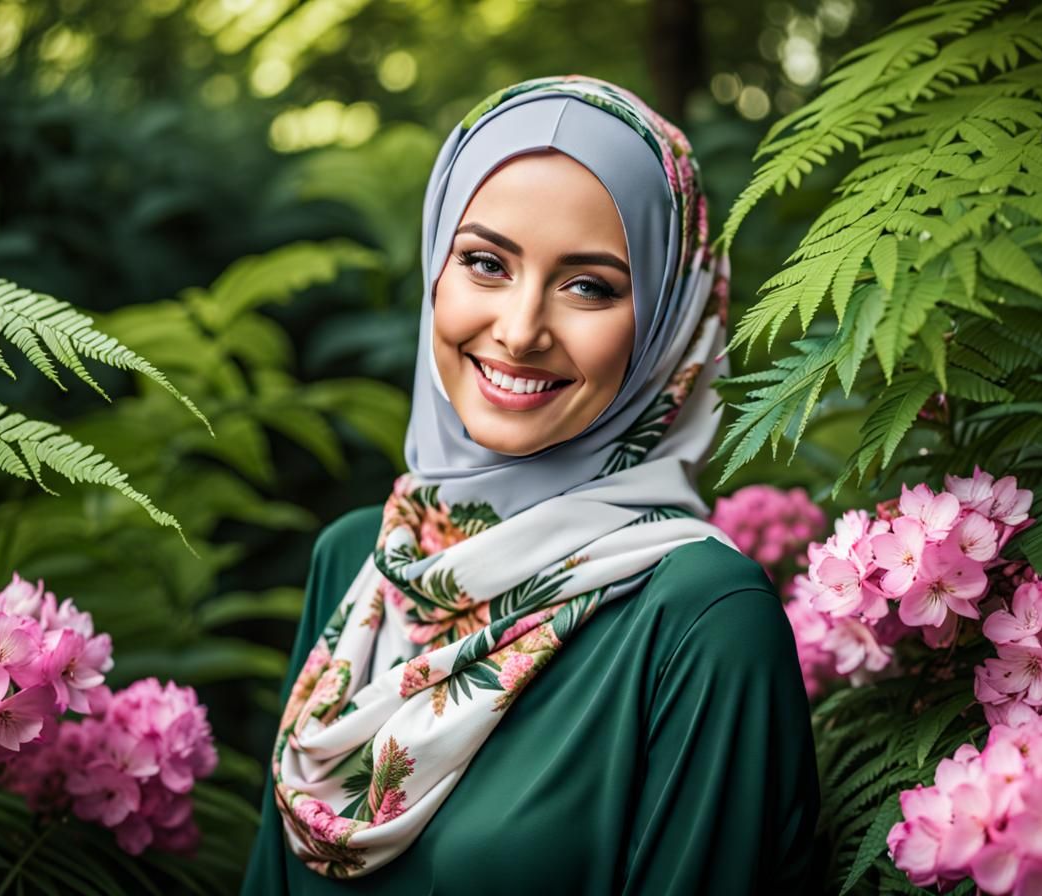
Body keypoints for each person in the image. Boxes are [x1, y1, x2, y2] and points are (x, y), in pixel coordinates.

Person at [242, 75, 819, 895]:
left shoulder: (703, 619)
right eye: (485, 263)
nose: (518, 332)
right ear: (434, 270)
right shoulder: (361, 562)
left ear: (670, 320)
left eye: (589, 286)